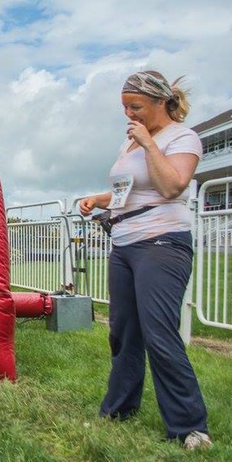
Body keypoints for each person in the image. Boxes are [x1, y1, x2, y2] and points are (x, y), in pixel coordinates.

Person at [78, 70, 211, 450]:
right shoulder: (131, 143)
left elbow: (171, 185)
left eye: (135, 107)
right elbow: (128, 191)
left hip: (162, 243)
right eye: (124, 108)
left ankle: (190, 427)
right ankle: (119, 409)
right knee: (123, 333)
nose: (129, 115)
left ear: (160, 102)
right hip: (124, 243)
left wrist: (149, 144)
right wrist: (99, 200)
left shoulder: (182, 138)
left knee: (159, 332)